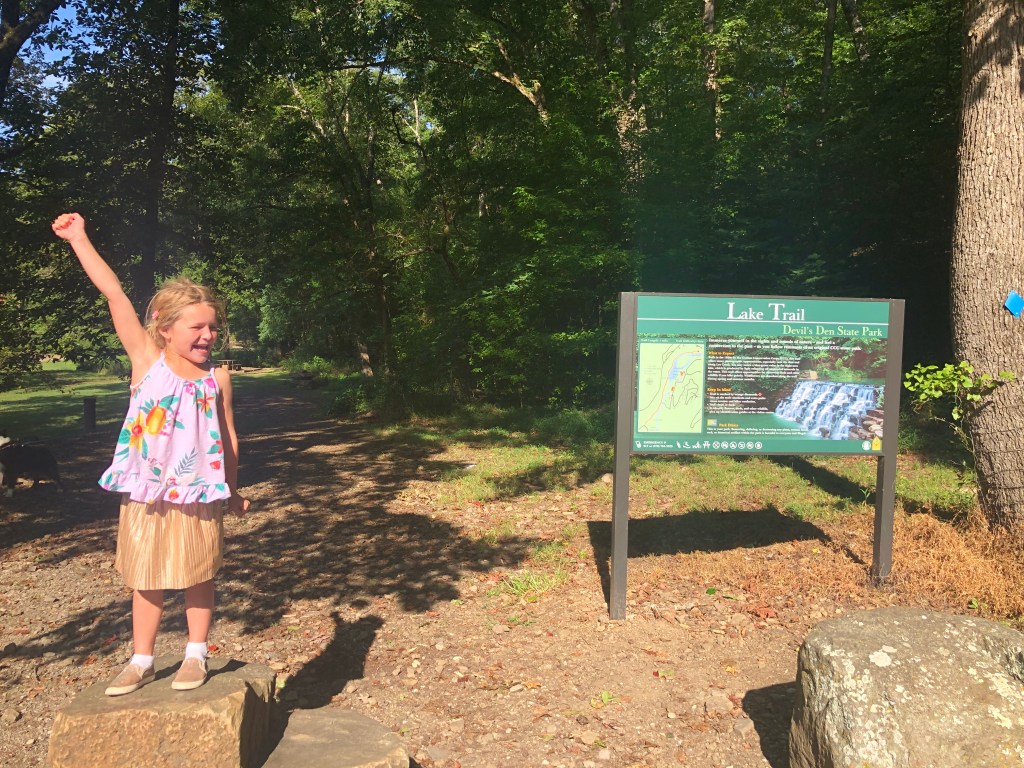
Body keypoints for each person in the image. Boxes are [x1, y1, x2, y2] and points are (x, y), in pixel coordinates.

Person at [52, 212, 250, 696]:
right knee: (146, 576)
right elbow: (114, 294)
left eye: (212, 328)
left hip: (200, 490)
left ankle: (196, 654)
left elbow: (228, 438)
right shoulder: (146, 361)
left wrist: (234, 490)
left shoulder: (216, 378)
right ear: (163, 327)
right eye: (196, 328)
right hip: (146, 491)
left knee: (199, 572)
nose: (207, 336)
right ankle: (141, 660)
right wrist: (79, 238)